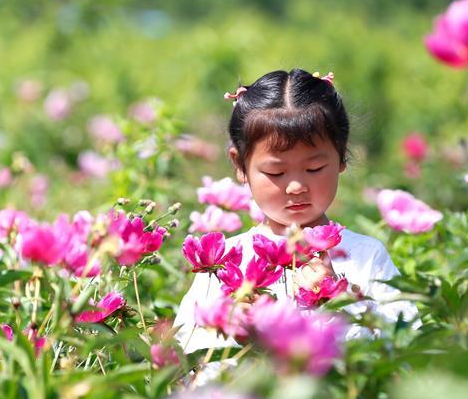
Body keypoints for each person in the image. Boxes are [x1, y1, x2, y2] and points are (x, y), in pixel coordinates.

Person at [175, 68, 417, 356]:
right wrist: (233, 330)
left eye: (314, 168)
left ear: (341, 155)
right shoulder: (224, 264)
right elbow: (187, 360)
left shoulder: (365, 257)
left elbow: (405, 347)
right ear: (240, 165)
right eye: (276, 172)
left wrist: (337, 299)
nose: (296, 186)